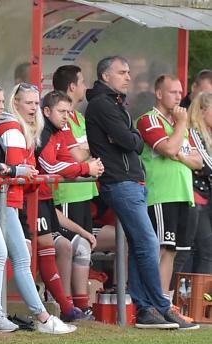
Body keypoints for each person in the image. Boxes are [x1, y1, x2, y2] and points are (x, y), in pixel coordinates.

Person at [85, 55, 188, 329]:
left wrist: (130, 137)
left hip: (133, 182)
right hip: (120, 182)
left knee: (139, 245)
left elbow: (131, 140)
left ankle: (145, 310)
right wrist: (131, 137)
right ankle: (160, 306)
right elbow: (130, 140)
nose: (128, 76)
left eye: (129, 72)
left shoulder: (117, 104)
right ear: (106, 76)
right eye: (122, 72)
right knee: (149, 243)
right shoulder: (102, 104)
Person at [0, 82, 76, 334]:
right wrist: (26, 174)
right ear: (16, 103)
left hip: (6, 201)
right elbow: (10, 171)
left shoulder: (12, 127)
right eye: (29, 103)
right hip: (4, 201)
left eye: (36, 102)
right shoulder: (12, 128)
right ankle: (35, 316)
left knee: (5, 256)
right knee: (15, 257)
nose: (34, 108)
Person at [35, 90, 103, 321]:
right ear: (46, 111)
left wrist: (88, 167)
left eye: (68, 112)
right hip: (32, 200)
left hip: (46, 199)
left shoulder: (61, 131)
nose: (66, 117)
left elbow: (66, 160)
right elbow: (50, 167)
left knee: (72, 245)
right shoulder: (43, 132)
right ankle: (58, 306)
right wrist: (86, 169)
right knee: (53, 249)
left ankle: (70, 306)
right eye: (61, 111)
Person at [136, 75, 202, 309]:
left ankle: (164, 302)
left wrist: (180, 156)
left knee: (173, 251)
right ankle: (155, 303)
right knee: (162, 248)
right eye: (173, 92)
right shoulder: (150, 120)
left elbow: (198, 161)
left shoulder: (178, 124)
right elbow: (168, 148)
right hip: (162, 195)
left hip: (184, 194)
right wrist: (181, 126)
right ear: (159, 93)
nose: (178, 97)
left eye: (180, 92)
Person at [52, 65, 99, 312]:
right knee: (70, 247)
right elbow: (73, 156)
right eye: (82, 82)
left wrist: (86, 152)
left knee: (84, 248)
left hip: (83, 191)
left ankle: (81, 305)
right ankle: (65, 305)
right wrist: (92, 149)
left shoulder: (79, 117)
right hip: (67, 191)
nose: (85, 87)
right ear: (72, 86)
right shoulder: (63, 117)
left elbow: (82, 153)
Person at [174, 92, 212, 275]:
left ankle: (200, 298)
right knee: (185, 250)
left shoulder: (208, 134)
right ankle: (172, 295)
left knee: (204, 251)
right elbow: (206, 165)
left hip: (204, 197)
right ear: (202, 111)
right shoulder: (194, 132)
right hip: (193, 196)